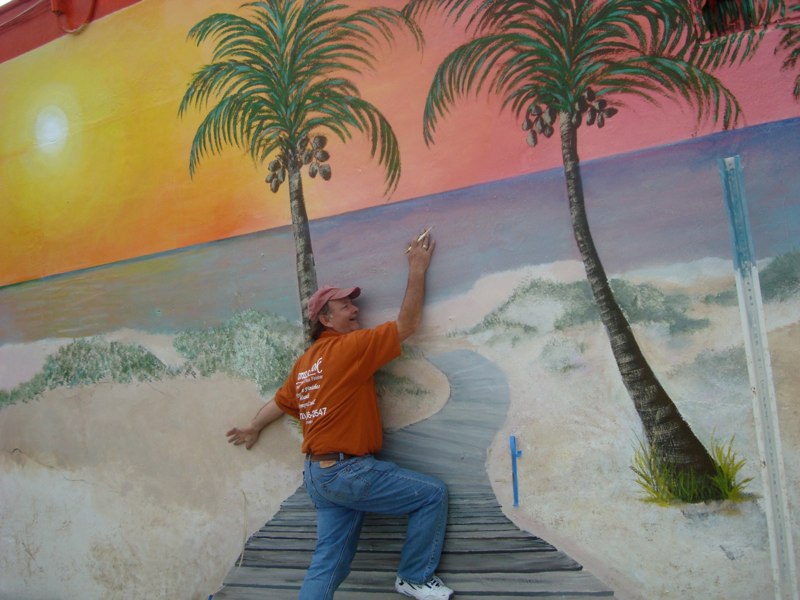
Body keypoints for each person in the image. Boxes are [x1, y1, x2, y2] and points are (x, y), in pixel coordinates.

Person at [226, 229, 453, 600]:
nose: (355, 309)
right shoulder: (349, 348)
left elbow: (281, 403)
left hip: (319, 476)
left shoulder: (305, 364)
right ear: (326, 320)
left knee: (329, 562)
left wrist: (253, 426)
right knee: (431, 495)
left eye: (353, 303)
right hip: (347, 473)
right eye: (346, 305)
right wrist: (416, 268)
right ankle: (414, 577)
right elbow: (407, 325)